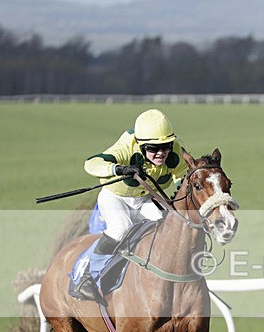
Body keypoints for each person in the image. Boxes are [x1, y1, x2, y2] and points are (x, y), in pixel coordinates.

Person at [71, 109, 189, 301]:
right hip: (115, 198)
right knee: (121, 228)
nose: (161, 153)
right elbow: (91, 163)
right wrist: (118, 168)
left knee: (167, 227)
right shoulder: (127, 147)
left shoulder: (174, 150)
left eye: (165, 146)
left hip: (143, 199)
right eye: (152, 148)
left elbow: (182, 177)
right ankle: (85, 275)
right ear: (141, 146)